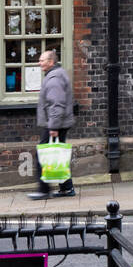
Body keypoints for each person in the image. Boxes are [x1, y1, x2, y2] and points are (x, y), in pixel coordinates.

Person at [28, 48, 75, 199]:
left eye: (42, 60)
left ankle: (43, 190)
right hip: (57, 122)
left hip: (56, 124)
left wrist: (53, 127)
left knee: (42, 155)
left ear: (51, 62)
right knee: (59, 155)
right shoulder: (55, 75)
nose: (39, 62)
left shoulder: (54, 78)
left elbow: (57, 104)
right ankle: (66, 188)